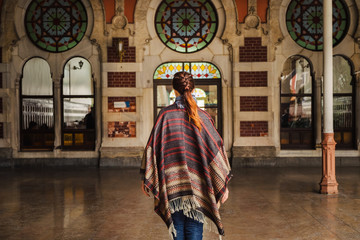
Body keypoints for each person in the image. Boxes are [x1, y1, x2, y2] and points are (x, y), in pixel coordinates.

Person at [141, 72, 232, 240]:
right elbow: (217, 149)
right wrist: (223, 184)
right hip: (199, 183)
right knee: (195, 227)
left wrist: (147, 177)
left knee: (178, 229)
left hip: (171, 183)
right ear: (194, 88)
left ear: (174, 91)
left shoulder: (165, 116)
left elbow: (152, 149)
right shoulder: (203, 117)